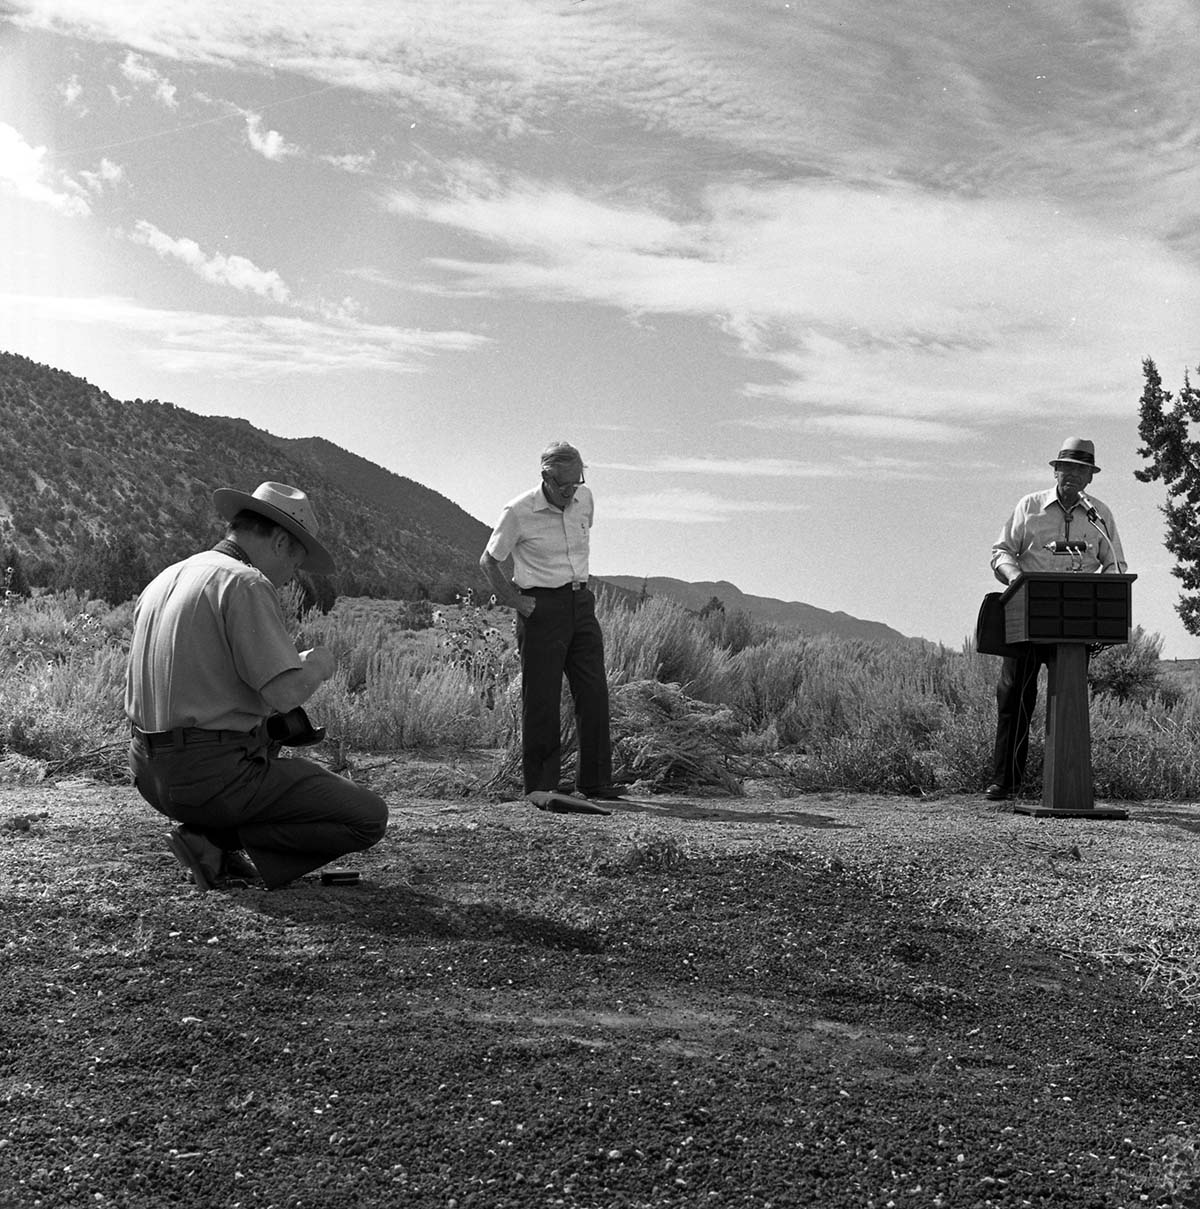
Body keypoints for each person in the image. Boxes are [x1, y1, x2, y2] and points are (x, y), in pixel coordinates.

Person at [126, 481, 388, 890]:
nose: (290, 579)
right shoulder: (245, 582)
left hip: (148, 773)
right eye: (296, 564)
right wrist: (318, 665)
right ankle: (214, 841)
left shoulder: (167, 578)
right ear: (281, 542)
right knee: (367, 817)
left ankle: (213, 840)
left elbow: (205, 676)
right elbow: (284, 695)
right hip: (211, 780)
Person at [985, 437, 1127, 800]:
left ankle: (1066, 784)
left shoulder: (1100, 515)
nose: (1073, 477)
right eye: (1068, 469)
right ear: (1055, 470)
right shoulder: (1029, 506)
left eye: (1082, 471)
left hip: (1077, 623)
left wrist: (1104, 596)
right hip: (1028, 616)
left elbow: (1115, 564)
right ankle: (1007, 782)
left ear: (1090, 478)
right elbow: (1001, 552)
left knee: (1068, 704)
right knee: (1015, 697)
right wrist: (1016, 580)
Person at [479, 441, 617, 802]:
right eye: (564, 486)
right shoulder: (519, 511)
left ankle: (595, 782)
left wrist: (580, 598)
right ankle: (542, 787)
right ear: (546, 476)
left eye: (577, 483)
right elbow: (489, 561)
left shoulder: (584, 500)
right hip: (540, 608)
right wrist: (518, 603)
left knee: (594, 691)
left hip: (581, 603)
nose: (571, 492)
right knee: (542, 697)